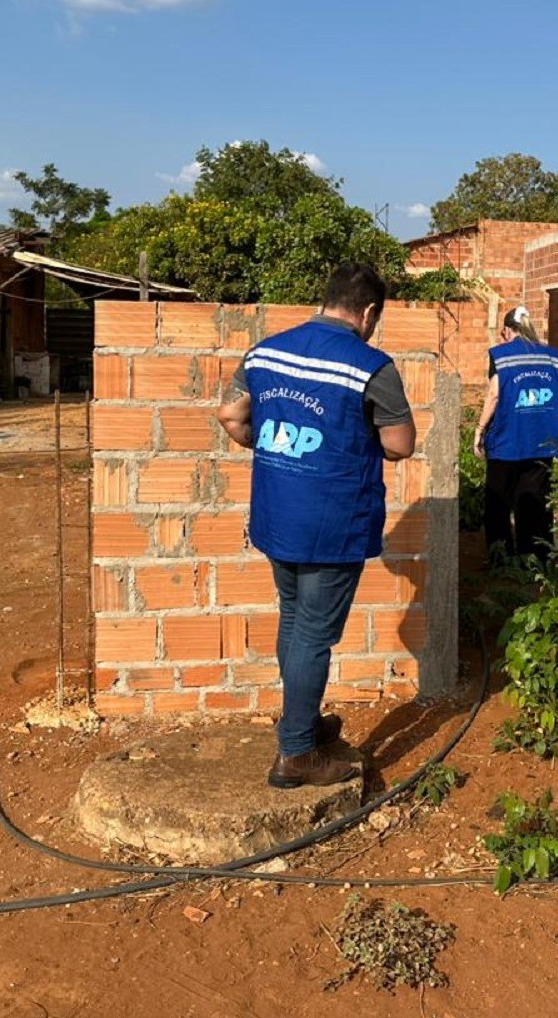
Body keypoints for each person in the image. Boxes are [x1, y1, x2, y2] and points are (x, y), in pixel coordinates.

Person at [218, 263, 416, 789]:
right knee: (313, 634)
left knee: (294, 618)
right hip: (334, 523)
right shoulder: (371, 367)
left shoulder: (266, 352)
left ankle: (300, 724)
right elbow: (400, 444)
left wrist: (273, 442)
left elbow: (231, 417)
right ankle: (297, 754)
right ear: (369, 312)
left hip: (277, 513)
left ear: (326, 299)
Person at [472, 305, 558, 564]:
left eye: (502, 332)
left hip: (508, 438)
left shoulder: (501, 355)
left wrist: (479, 430)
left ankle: (501, 557)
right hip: (542, 438)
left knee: (499, 500)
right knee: (535, 497)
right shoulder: (550, 356)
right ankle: (536, 555)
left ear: (508, 330)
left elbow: (495, 394)